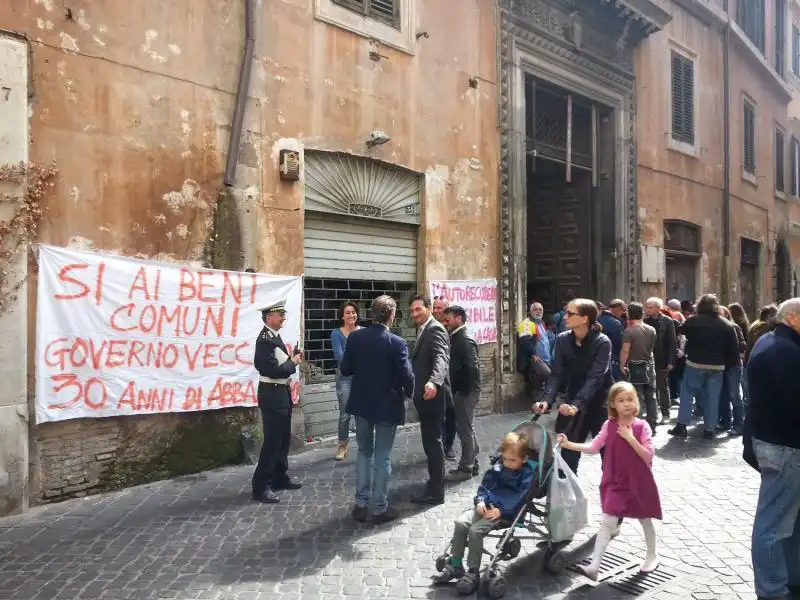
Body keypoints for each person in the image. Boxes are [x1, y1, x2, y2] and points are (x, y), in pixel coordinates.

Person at [558, 382, 662, 581]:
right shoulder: (609, 425)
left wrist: (631, 438)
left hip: (638, 482)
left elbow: (648, 455)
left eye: (630, 400)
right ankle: (594, 566)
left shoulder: (642, 427)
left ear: (636, 402)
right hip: (616, 482)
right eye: (621, 401)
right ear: (613, 405)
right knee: (607, 522)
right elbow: (594, 447)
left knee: (645, 519)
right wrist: (568, 444)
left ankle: (652, 555)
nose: (626, 404)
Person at [340, 295, 414, 524]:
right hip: (387, 406)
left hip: (361, 404)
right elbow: (406, 376)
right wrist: (411, 392)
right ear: (391, 315)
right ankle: (380, 508)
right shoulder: (397, 343)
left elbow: (345, 369)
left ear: (372, 313)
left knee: (363, 452)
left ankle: (362, 504)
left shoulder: (355, 337)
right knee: (382, 457)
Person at [431, 432, 535, 595]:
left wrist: (502, 510)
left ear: (524, 459)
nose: (507, 463)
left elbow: (519, 497)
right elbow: (485, 486)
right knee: (460, 523)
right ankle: (456, 564)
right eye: (505, 458)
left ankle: (473, 572)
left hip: (504, 512)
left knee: (475, 531)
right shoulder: (499, 466)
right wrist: (480, 500)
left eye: (512, 460)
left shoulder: (527, 475)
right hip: (485, 505)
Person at [746, 298, 800, 600]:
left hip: (776, 443)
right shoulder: (785, 350)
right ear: (792, 318)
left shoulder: (772, 341)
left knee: (789, 519)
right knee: (774, 524)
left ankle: (792, 577)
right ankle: (772, 590)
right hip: (785, 447)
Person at [532, 298, 614, 474]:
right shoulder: (563, 339)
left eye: (570, 313)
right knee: (567, 460)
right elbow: (556, 374)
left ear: (584, 318)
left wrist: (577, 404)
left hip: (601, 404)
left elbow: (596, 377)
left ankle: (613, 498)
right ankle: (568, 499)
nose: (565, 317)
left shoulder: (602, 342)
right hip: (573, 403)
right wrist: (546, 400)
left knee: (609, 458)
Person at [251, 299, 304, 504]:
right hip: (272, 395)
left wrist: (291, 358)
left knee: (282, 440)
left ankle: (279, 478)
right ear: (268, 318)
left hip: (280, 393)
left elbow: (279, 363)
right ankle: (260, 486)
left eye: (283, 314)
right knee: (272, 443)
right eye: (280, 314)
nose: (283, 318)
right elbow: (270, 369)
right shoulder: (264, 340)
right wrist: (293, 362)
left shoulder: (273, 336)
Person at [669, 294, 738, 440]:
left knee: (687, 395)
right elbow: (733, 349)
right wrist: (728, 366)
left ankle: (681, 425)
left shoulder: (693, 321)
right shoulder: (726, 324)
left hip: (695, 363)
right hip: (717, 367)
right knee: (712, 398)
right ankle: (709, 430)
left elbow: (680, 330)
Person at [410, 295, 452, 505]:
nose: (414, 314)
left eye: (418, 309)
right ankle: (434, 485)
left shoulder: (434, 328)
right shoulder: (425, 329)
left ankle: (436, 491)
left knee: (434, 444)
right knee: (431, 442)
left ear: (428, 309)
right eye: (412, 311)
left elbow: (441, 357)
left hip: (433, 397)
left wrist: (434, 382)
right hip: (426, 397)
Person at [442, 305, 481, 482]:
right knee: (468, 428)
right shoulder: (457, 337)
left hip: (466, 391)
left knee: (464, 429)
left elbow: (472, 368)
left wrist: (463, 392)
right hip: (464, 391)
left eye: (448, 318)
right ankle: (473, 462)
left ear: (459, 318)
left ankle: (466, 468)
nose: (445, 321)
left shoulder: (464, 339)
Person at [619, 302, 658, 432]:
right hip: (649, 365)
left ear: (629, 314)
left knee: (637, 396)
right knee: (651, 396)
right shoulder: (651, 329)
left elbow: (625, 350)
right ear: (642, 313)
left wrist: (622, 364)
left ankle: (638, 426)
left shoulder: (629, 331)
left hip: (635, 366)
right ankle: (652, 424)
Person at [331, 302, 362, 461]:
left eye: (353, 312)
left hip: (362, 377)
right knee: (345, 415)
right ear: (342, 316)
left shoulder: (363, 332)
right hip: (345, 378)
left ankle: (364, 445)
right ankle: (342, 446)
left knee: (363, 413)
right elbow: (340, 357)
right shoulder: (336, 333)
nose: (351, 315)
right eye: (348, 313)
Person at [643, 297, 677, 425]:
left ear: (658, 308)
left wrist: (670, 361)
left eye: (650, 307)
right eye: (646, 307)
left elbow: (672, 342)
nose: (647, 309)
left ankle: (665, 413)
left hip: (662, 359)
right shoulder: (645, 321)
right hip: (647, 359)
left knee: (662, 386)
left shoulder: (667, 321)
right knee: (649, 388)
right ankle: (652, 413)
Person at [433, 296, 458, 460]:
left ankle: (448, 445)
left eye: (439, 308)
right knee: (437, 416)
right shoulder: (430, 327)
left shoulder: (452, 329)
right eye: (434, 308)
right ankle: (439, 445)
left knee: (451, 415)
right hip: (436, 379)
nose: (436, 311)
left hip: (452, 380)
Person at [517, 302, 552, 400]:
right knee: (544, 373)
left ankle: (540, 403)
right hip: (534, 358)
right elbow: (525, 341)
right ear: (530, 312)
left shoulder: (541, 323)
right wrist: (533, 354)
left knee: (545, 379)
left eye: (540, 309)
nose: (538, 312)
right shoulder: (527, 323)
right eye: (535, 309)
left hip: (545, 358)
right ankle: (536, 401)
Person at [598, 301, 625, 383]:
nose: (623, 313)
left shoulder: (598, 319)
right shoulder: (615, 323)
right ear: (618, 309)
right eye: (623, 310)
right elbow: (620, 343)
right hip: (612, 359)